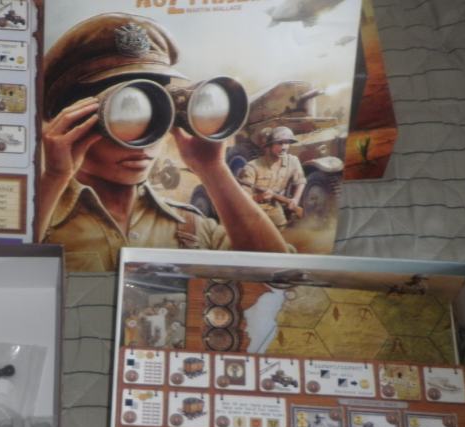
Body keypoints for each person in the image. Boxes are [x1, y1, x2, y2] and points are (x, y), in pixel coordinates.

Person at [37, 13, 289, 272]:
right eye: (125, 116)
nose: (144, 140)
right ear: (71, 122)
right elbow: (10, 271)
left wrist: (212, 169)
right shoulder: (43, 221)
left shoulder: (190, 226)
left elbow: (279, 274)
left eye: (159, 114)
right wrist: (54, 177)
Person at [237, 126, 306, 230]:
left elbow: (301, 181)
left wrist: (295, 200)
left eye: (286, 143)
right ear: (270, 145)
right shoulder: (252, 167)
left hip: (274, 206)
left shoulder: (293, 161)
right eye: (279, 143)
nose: (284, 147)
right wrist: (260, 197)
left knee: (283, 230)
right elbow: (243, 199)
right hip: (252, 208)